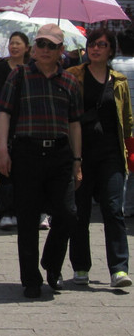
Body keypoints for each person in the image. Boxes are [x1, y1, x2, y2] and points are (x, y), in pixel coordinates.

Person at [0, 23, 82, 299]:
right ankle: (30, 279)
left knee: (67, 214)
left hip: (60, 154)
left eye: (51, 46)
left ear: (61, 51)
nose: (45, 50)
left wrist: (78, 160)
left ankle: (52, 264)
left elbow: (75, 123)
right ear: (34, 48)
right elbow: (5, 114)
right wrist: (2, 151)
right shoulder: (19, 76)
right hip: (26, 152)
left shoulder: (69, 81)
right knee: (29, 218)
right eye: (41, 44)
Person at [67, 29, 132, 288]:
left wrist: (129, 147)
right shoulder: (73, 76)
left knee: (113, 209)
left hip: (110, 153)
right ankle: (81, 267)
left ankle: (119, 269)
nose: (95, 49)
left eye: (101, 45)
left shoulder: (118, 80)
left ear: (110, 50)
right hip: (81, 154)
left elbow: (126, 119)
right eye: (92, 44)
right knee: (80, 212)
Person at [0, 32, 31, 230]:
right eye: (12, 43)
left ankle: (25, 210)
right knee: (5, 169)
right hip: (5, 120)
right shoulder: (0, 68)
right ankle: (6, 211)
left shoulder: (33, 68)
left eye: (18, 43)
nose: (14, 47)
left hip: (27, 122)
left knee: (25, 170)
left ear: (27, 47)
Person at [112, 28, 134, 217]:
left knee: (124, 164)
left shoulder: (114, 64)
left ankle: (122, 206)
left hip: (120, 118)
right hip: (131, 119)